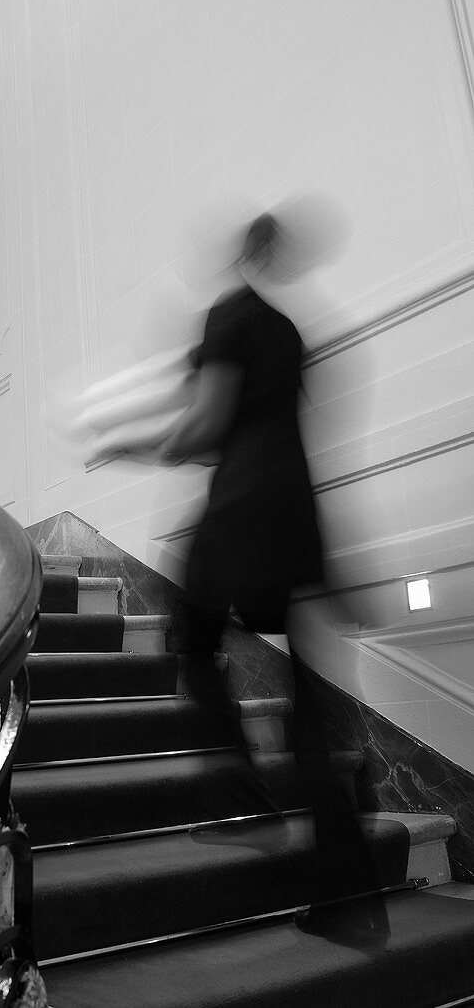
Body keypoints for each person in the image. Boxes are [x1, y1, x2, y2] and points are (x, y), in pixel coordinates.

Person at [160, 211, 389, 946]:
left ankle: (246, 798)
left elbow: (207, 428)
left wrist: (144, 440)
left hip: (241, 512)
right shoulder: (289, 331)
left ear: (246, 250)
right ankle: (348, 900)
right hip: (296, 514)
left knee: (190, 639)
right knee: (309, 704)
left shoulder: (229, 313)